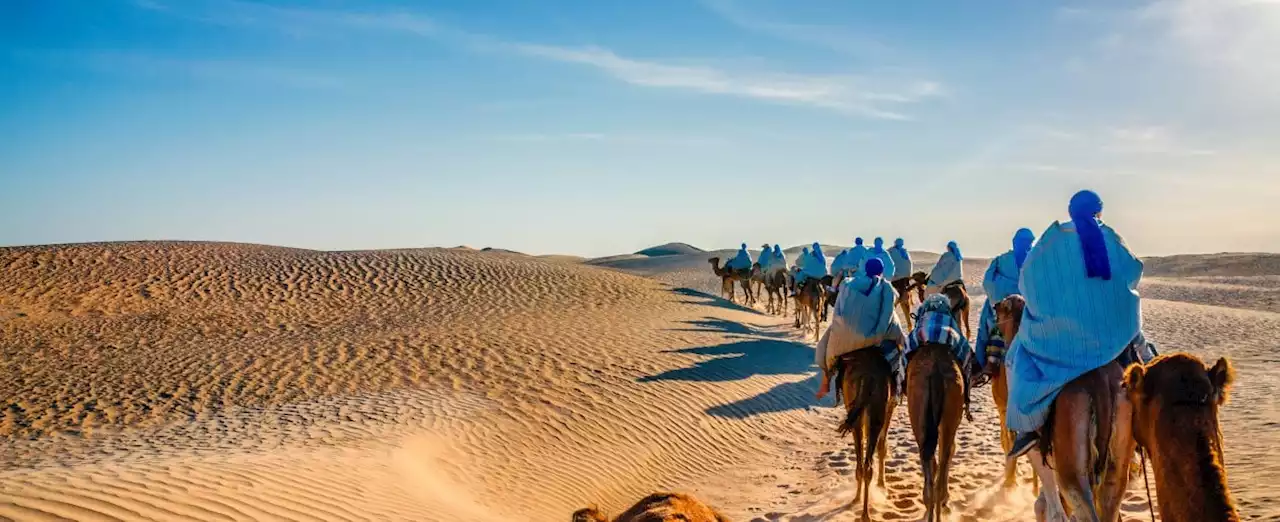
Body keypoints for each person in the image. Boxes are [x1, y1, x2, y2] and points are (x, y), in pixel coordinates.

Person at [1005, 190, 1146, 458]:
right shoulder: (1112, 238)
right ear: (1099, 211)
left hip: (1061, 340)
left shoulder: (1050, 241)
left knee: (1015, 358)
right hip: (1111, 337)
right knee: (1146, 356)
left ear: (1070, 211)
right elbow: (1134, 270)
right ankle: (1148, 428)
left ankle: (1028, 428)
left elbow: (1027, 281)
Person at [814, 258, 905, 400]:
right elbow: (887, 313)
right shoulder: (886, 287)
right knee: (903, 346)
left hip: (845, 330)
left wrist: (839, 326)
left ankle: (825, 382)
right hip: (875, 333)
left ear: (864, 269)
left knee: (825, 345)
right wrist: (877, 335)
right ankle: (899, 387)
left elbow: (839, 308)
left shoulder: (847, 283)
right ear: (881, 271)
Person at [906, 294, 977, 419]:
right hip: (949, 338)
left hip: (924, 338)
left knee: (903, 356)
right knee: (967, 358)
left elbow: (909, 344)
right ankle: (966, 396)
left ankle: (900, 386)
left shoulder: (923, 319)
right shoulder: (949, 319)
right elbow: (963, 346)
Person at [974, 229, 1035, 371]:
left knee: (986, 326)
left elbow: (988, 282)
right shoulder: (1035, 260)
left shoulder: (1001, 260)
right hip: (1028, 305)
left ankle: (981, 363)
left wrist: (999, 295)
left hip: (1004, 304)